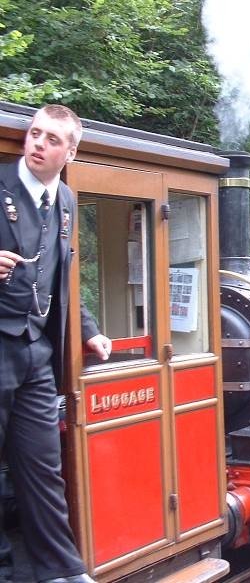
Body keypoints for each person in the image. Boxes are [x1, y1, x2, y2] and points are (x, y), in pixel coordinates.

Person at [0, 105, 111, 583]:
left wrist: (88, 330)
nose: (38, 143)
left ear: (70, 151)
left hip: (38, 354)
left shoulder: (65, 199)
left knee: (44, 467)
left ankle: (61, 570)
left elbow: (63, 277)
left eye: (50, 138)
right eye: (34, 133)